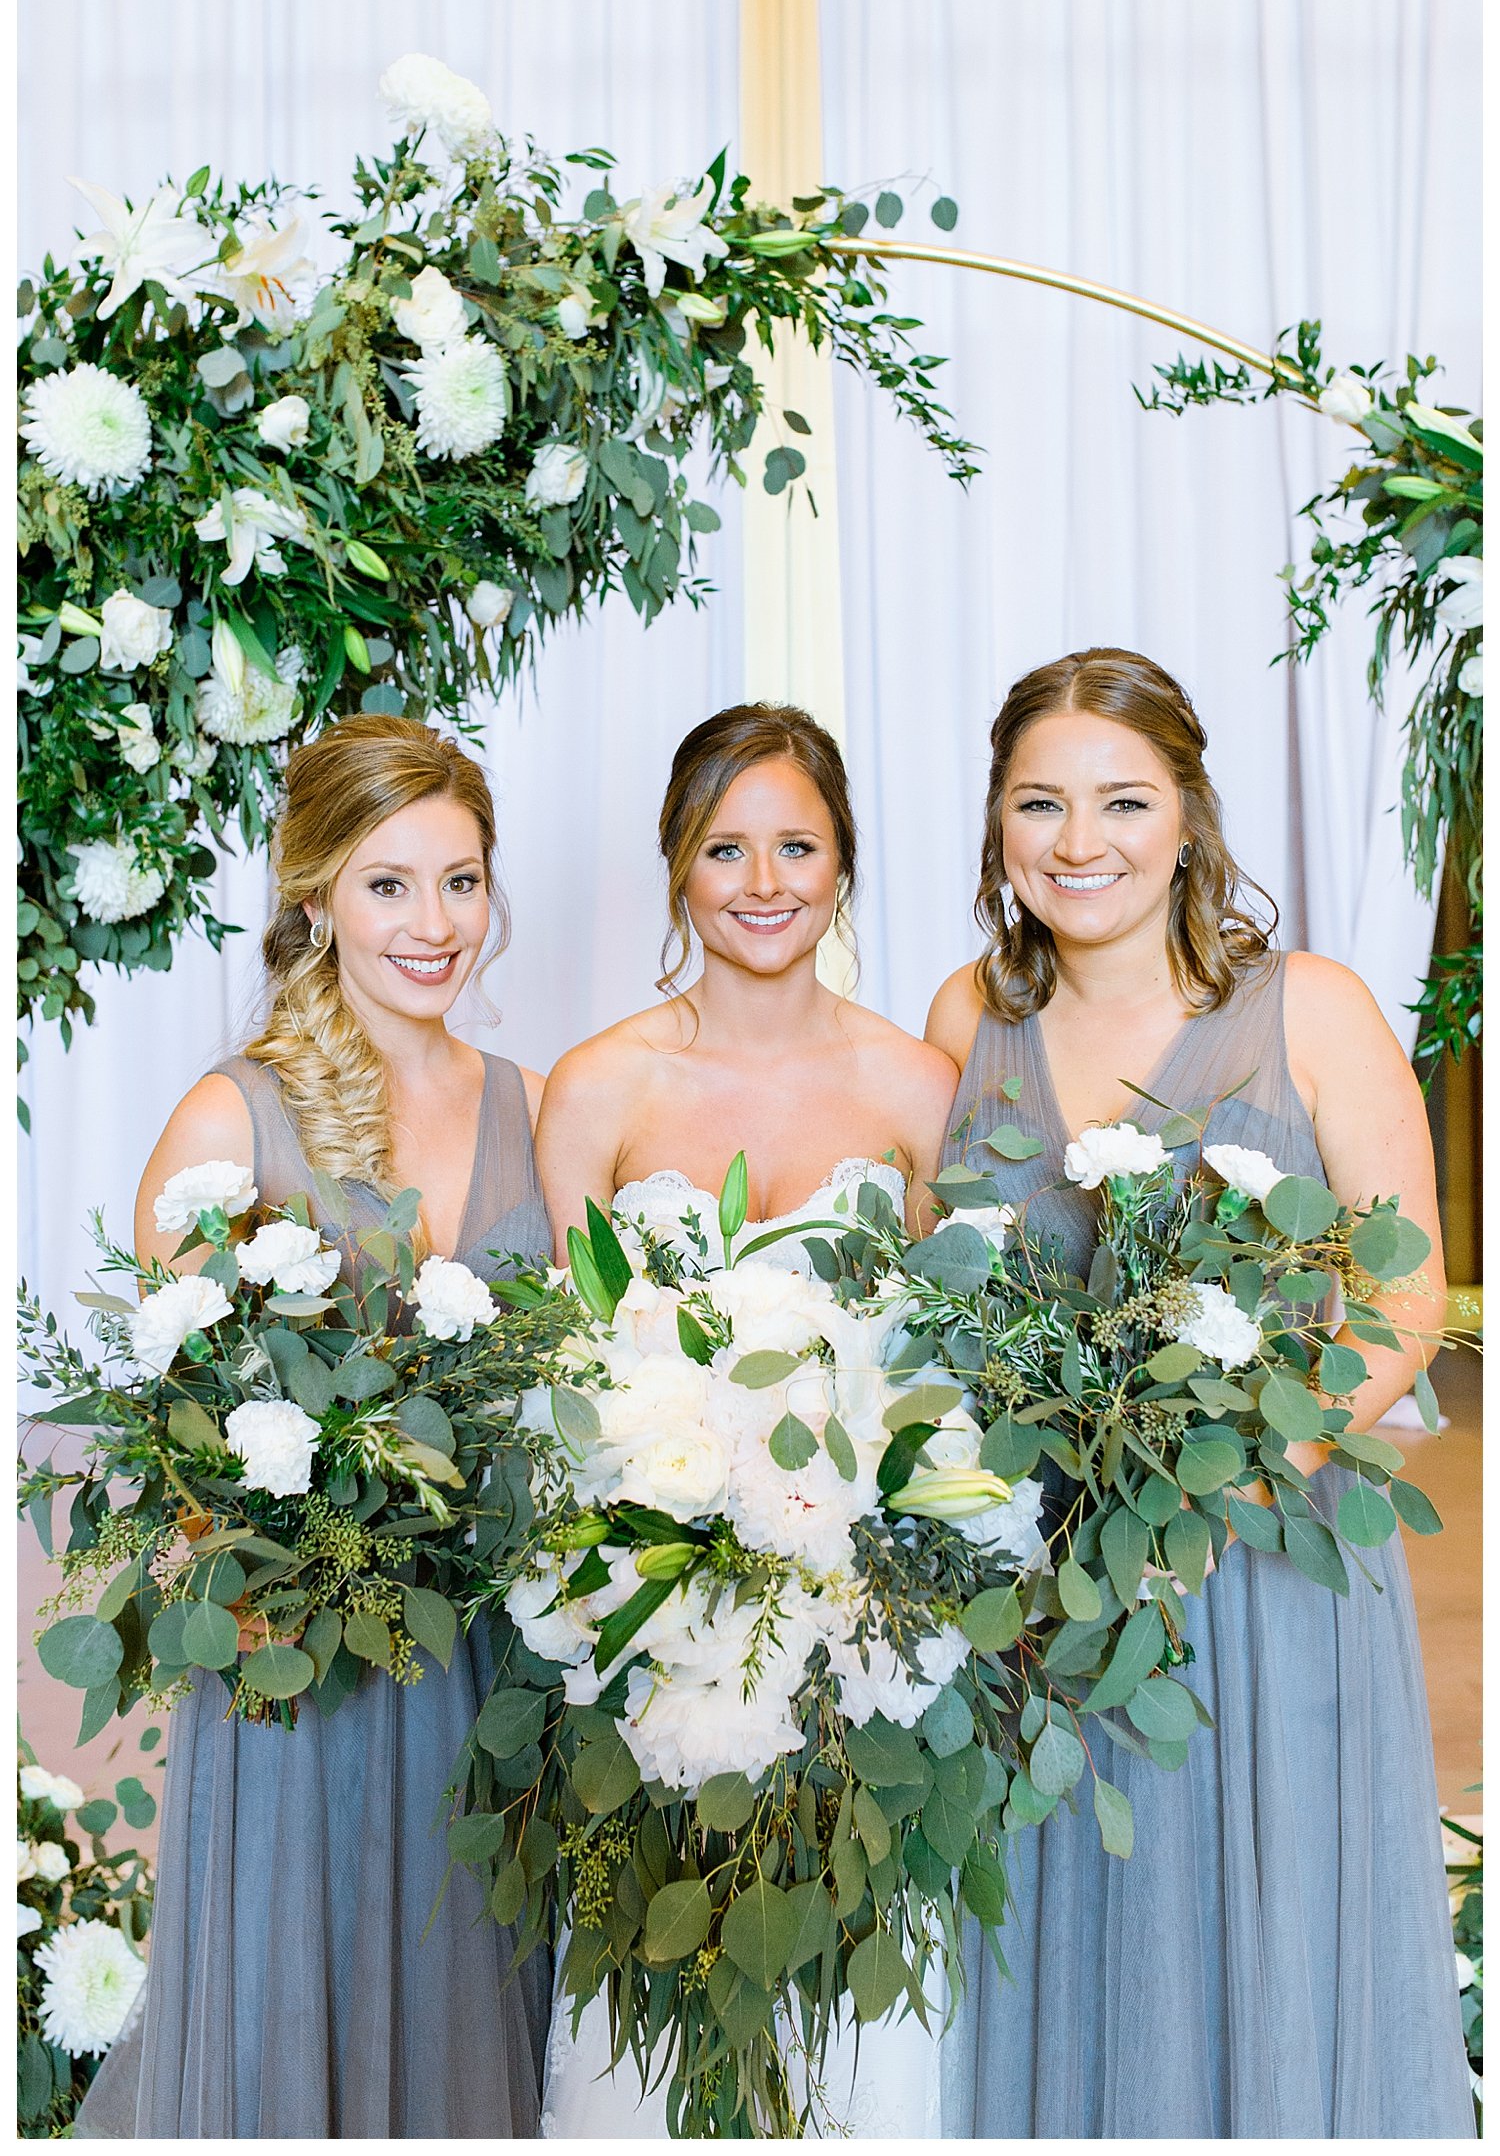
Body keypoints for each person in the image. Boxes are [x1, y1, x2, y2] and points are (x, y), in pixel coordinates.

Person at [925, 648, 1474, 2138]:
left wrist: (1229, 1469)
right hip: (1041, 1571)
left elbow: (1402, 1294)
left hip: (1261, 1554)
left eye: (1121, 800)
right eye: (1039, 803)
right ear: (997, 825)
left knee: (1266, 1920)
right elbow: (925, 1292)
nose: (1078, 840)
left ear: (1188, 815)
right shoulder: (965, 1016)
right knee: (1058, 1915)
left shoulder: (1313, 1009)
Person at [75, 715, 551, 2139]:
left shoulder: (536, 1106)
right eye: (390, 883)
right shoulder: (235, 1118)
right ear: (316, 894)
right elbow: (169, 1447)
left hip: (493, 1670)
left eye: (461, 881)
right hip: (308, 1690)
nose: (433, 923)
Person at [534, 701, 959, 2137]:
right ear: (677, 863)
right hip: (651, 1637)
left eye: (797, 844)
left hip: (855, 1631)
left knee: (844, 2004)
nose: (764, 881)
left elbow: (934, 1368)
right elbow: (566, 1374)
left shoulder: (918, 1087)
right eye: (727, 847)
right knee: (661, 1994)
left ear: (844, 862)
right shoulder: (599, 1086)